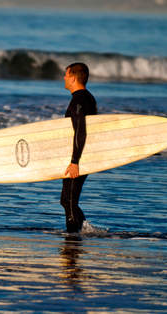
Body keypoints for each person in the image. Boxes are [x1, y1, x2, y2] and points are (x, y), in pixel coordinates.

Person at [61, 62, 97, 233]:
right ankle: (84, 231)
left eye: (66, 75)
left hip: (79, 158)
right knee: (67, 200)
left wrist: (75, 161)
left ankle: (73, 239)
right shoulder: (88, 97)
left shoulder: (79, 100)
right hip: (83, 155)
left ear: (73, 77)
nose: (64, 78)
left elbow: (80, 131)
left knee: (68, 200)